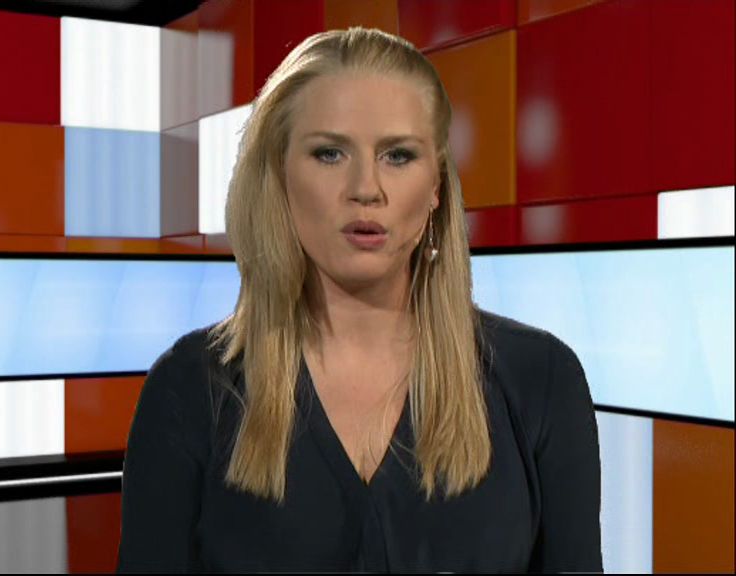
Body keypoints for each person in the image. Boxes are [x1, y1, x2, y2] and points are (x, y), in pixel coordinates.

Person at [117, 26, 602, 573]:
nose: (366, 188)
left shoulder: (541, 381)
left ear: (436, 186)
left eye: (398, 155)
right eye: (329, 153)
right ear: (279, 176)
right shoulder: (189, 389)